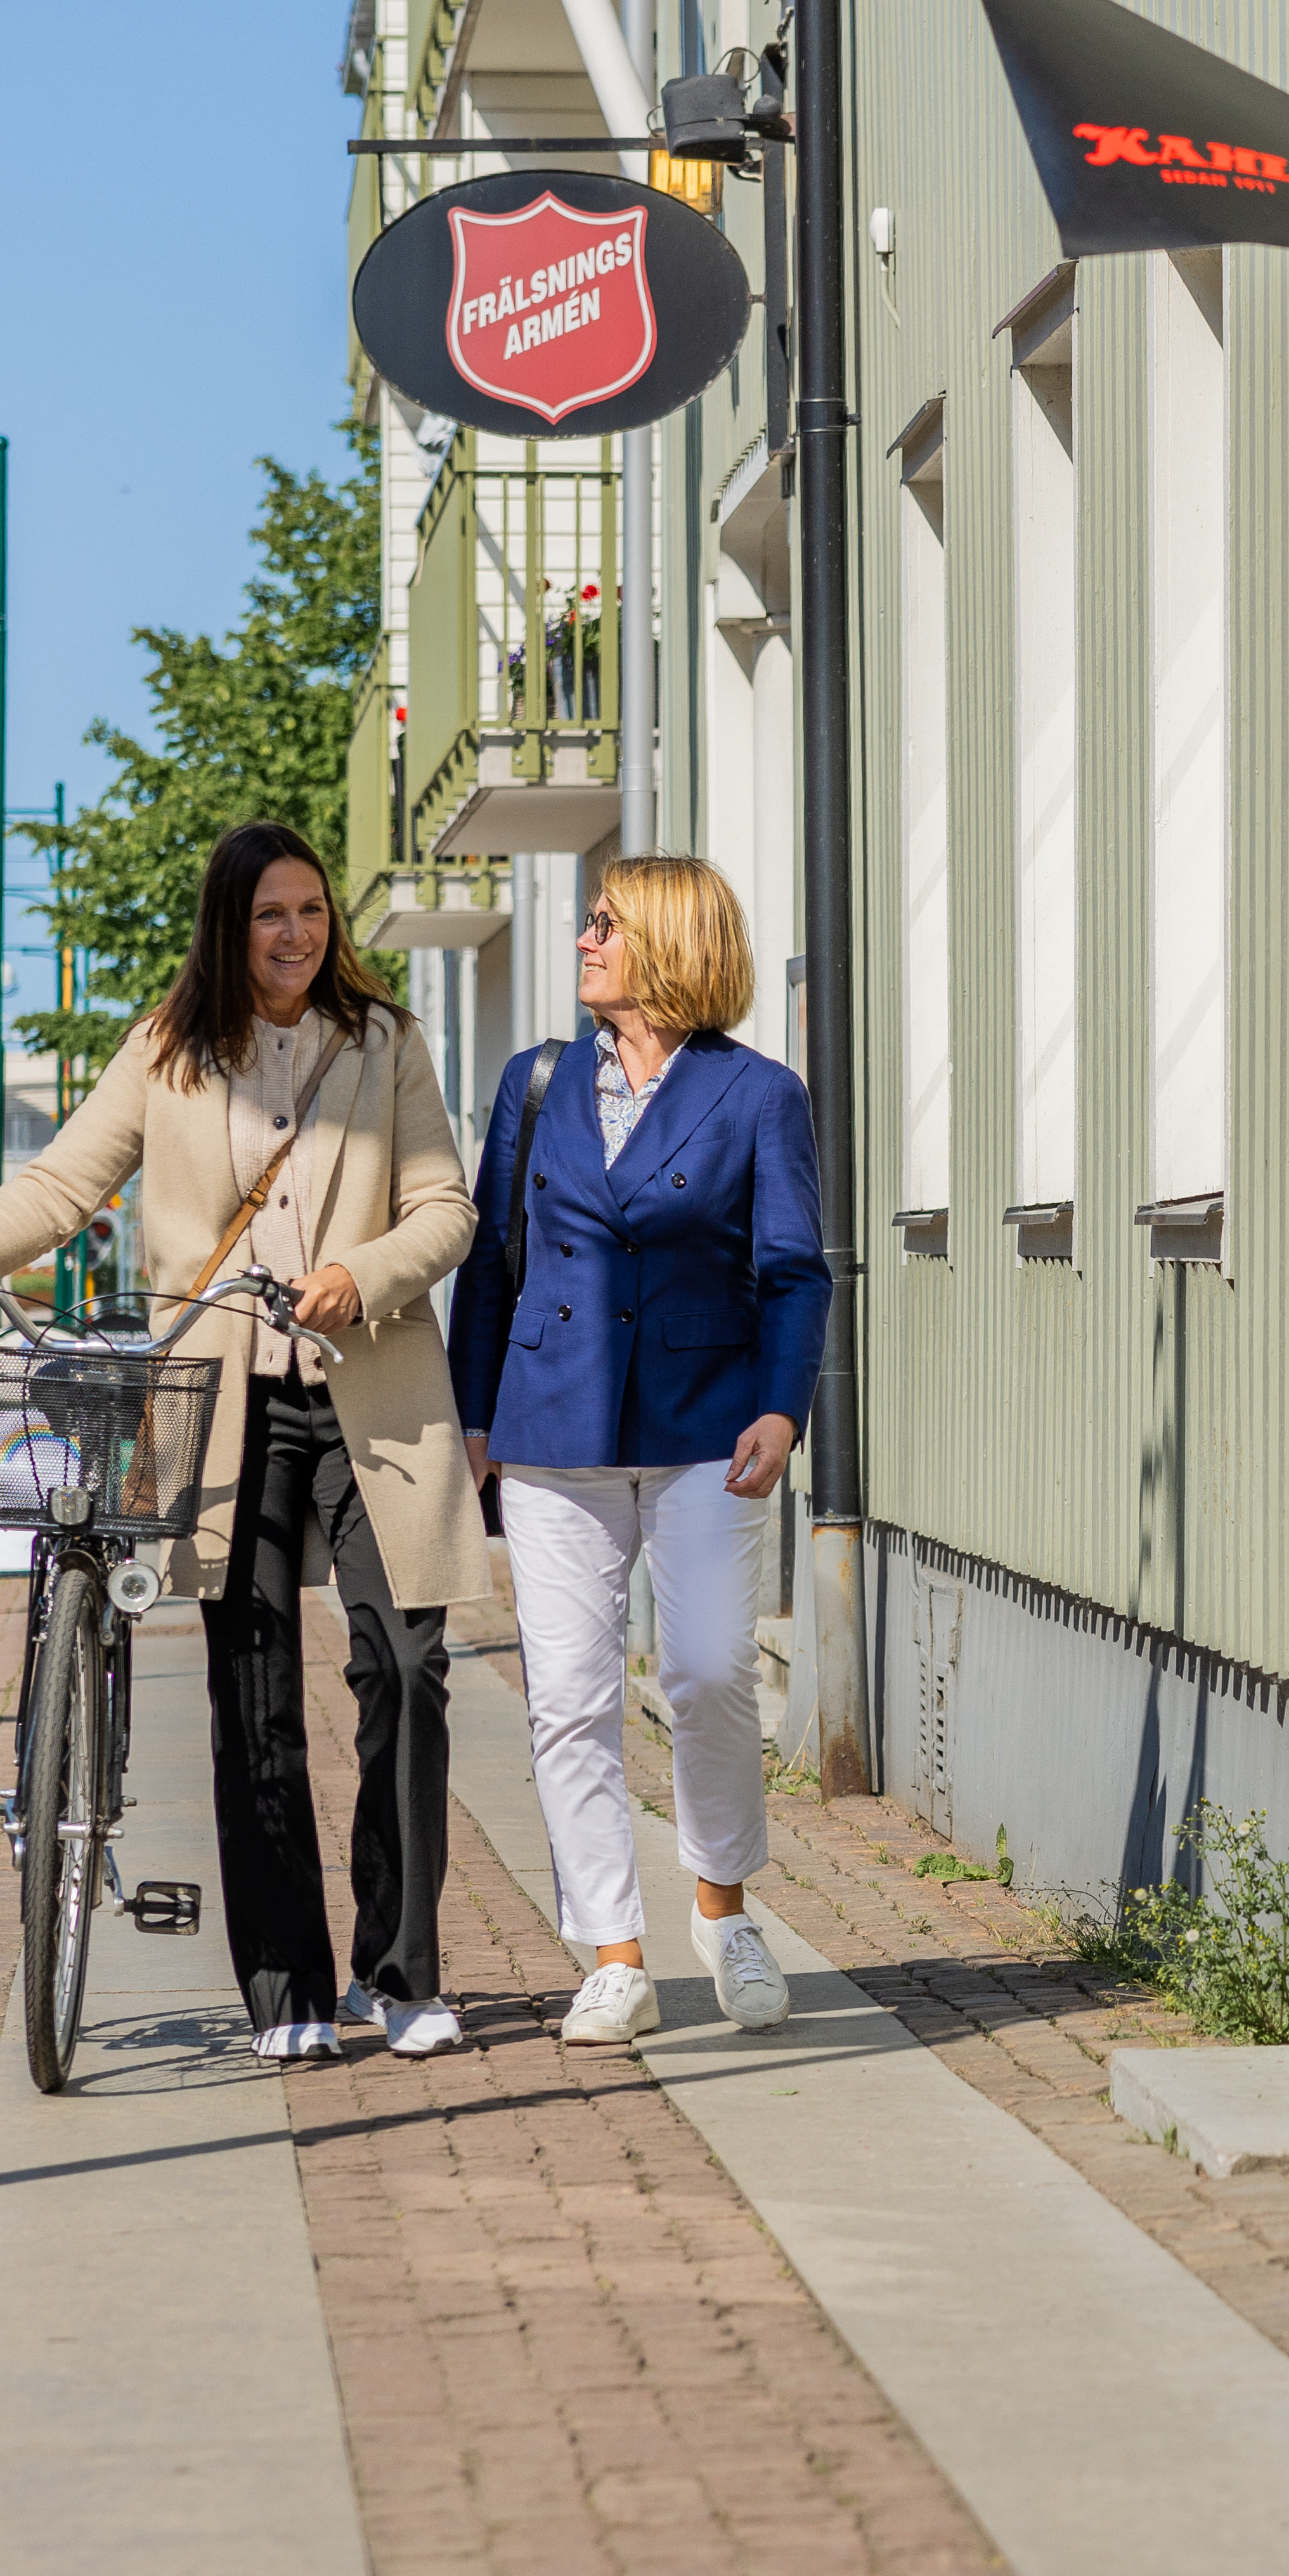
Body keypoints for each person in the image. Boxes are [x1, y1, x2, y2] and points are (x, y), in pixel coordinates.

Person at [0, 822, 489, 2062]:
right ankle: (286, 1990)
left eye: (312, 910)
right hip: (220, 1399)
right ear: (228, 924)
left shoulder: (384, 1044)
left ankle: (399, 1970)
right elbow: (62, 1186)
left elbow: (444, 1209)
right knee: (249, 1689)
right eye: (271, 913)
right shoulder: (166, 1053)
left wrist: (354, 1275)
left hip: (368, 1380)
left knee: (405, 1669)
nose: (297, 933)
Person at [452, 856, 825, 2046]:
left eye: (604, 924)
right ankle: (613, 1951)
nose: (583, 940)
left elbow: (793, 1269)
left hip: (704, 1421)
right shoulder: (538, 1079)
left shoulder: (759, 1094)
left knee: (711, 1671)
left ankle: (723, 1905)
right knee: (567, 1696)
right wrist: (474, 1415)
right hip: (554, 1425)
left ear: (665, 942)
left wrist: (782, 1406)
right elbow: (493, 1267)